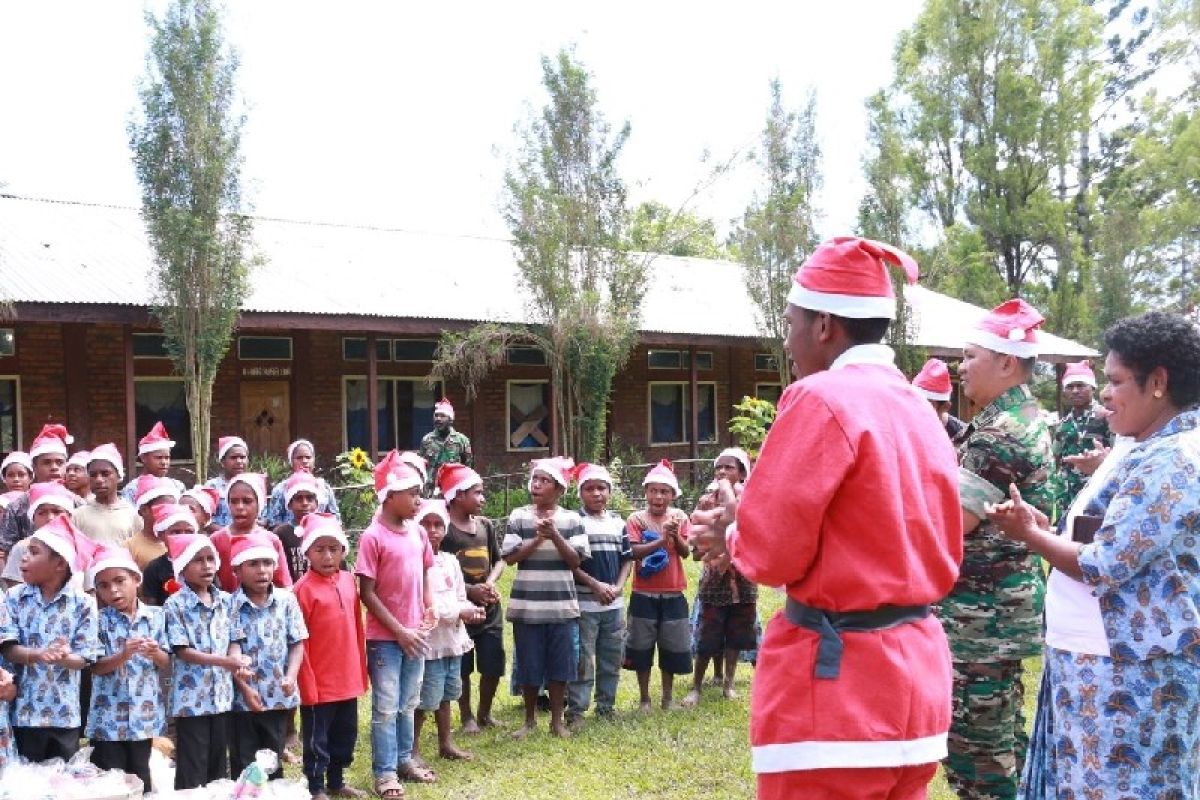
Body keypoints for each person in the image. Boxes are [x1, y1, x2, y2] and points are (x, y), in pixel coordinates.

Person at [691, 236, 962, 800]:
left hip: (841, 698)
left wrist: (733, 531)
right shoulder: (917, 406)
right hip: (918, 688)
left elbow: (771, 552)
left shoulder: (819, 397)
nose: (786, 341)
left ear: (824, 326)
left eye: (790, 323)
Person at [986, 311, 1200, 798]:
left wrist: (1030, 536)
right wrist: (1046, 530)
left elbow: (1106, 562)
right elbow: (1106, 537)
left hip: (1130, 680)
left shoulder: (1171, 458)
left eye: (1116, 381)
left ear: (1159, 383)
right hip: (1101, 664)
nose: (1105, 393)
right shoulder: (1143, 445)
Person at [941, 298, 1057, 800]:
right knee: (1003, 744)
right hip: (999, 615)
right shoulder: (1023, 417)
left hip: (979, 622)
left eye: (970, 356)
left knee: (978, 759)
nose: (960, 368)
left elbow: (954, 522)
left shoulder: (1000, 433)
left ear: (1006, 362)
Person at [356, 451, 435, 796]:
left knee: (409, 702)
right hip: (385, 639)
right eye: (413, 494)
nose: (419, 501)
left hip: (416, 634)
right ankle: (385, 771)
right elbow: (367, 593)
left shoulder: (418, 533)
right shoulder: (373, 537)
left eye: (420, 493)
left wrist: (429, 606)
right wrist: (399, 631)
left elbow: (426, 569)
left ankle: (405, 758)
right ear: (390, 496)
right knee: (386, 707)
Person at [0, 514, 100, 762]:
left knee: (62, 784)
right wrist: (39, 654)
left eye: (33, 552)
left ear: (59, 564)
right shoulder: (13, 597)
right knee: (26, 782)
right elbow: (8, 648)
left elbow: (84, 658)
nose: (24, 558)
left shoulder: (83, 604)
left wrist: (64, 657)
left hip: (64, 715)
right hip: (22, 712)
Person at [502, 457, 588, 739]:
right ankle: (528, 721)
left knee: (561, 664)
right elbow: (511, 558)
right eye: (535, 479)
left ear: (559, 489)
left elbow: (576, 560)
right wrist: (538, 539)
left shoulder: (573, 520)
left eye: (544, 480)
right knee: (529, 663)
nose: (536, 484)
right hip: (527, 605)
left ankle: (556, 721)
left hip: (562, 604)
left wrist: (554, 535)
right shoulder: (518, 516)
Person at [163, 531, 249, 790]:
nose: (206, 566)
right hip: (191, 701)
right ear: (182, 568)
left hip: (221, 697)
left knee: (217, 765)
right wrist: (225, 662)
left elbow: (235, 638)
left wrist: (236, 658)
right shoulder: (175, 605)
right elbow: (182, 650)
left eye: (210, 559)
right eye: (197, 560)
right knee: (192, 765)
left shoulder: (226, 601)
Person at [294, 512, 369, 800]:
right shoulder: (301, 591)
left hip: (347, 677)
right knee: (317, 740)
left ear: (342, 551)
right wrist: (307, 683)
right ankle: (315, 786)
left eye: (333, 549)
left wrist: (361, 671)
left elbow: (356, 628)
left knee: (344, 736)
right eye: (320, 549)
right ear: (308, 553)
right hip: (319, 684)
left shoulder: (350, 582)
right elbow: (299, 642)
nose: (327, 556)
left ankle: (336, 781)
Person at [86, 545, 170, 792]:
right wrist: (123, 655)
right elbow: (95, 667)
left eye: (119, 581)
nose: (113, 590)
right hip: (107, 719)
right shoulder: (98, 621)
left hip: (143, 717)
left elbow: (168, 663)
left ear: (136, 580)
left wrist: (155, 653)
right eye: (103, 585)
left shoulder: (156, 617)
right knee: (111, 780)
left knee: (140, 774)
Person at [227, 532, 308, 780]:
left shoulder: (286, 600)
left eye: (267, 563)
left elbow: (297, 643)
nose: (261, 570)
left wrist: (291, 676)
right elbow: (232, 649)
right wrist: (243, 685)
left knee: (273, 755)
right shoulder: (230, 605)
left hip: (277, 695)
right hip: (242, 700)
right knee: (244, 758)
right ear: (237, 571)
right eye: (253, 564)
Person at [684, 452, 758, 709]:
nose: (722, 472)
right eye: (719, 467)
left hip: (744, 578)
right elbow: (697, 543)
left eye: (729, 467)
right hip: (714, 579)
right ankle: (696, 687)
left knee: (737, 633)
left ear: (741, 473)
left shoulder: (752, 501)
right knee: (708, 634)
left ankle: (728, 684)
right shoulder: (706, 502)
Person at [438, 462, 507, 735]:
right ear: (457, 496)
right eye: (477, 493)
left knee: (493, 662)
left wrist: (489, 584)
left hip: (490, 608)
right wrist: (469, 591)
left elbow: (499, 560)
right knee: (463, 666)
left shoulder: (485, 526)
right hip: (461, 609)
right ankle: (466, 716)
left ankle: (485, 713)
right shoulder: (443, 531)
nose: (483, 498)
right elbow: (440, 572)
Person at [412, 499, 482, 767]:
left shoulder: (450, 561)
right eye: (426, 524)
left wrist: (472, 609)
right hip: (429, 643)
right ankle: (413, 749)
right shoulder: (415, 564)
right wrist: (458, 612)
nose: (432, 530)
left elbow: (459, 596)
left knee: (447, 694)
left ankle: (446, 743)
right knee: (423, 699)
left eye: (438, 524)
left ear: (446, 528)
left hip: (452, 641)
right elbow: (424, 605)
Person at [566, 462, 632, 727]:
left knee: (611, 656)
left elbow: (627, 559)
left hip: (614, 605)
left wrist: (617, 587)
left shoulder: (619, 523)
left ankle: (606, 706)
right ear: (580, 493)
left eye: (601, 488)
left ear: (610, 491)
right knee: (583, 658)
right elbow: (570, 564)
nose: (596, 494)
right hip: (585, 604)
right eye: (589, 489)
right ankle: (577, 710)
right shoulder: (574, 522)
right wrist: (595, 585)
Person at [625, 459, 691, 712]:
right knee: (641, 647)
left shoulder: (680, 518)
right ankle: (644, 699)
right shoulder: (636, 519)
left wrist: (673, 536)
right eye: (653, 490)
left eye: (664, 491)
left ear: (673, 495)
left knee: (671, 646)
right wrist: (662, 540)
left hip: (674, 591)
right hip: (644, 592)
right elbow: (634, 551)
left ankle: (667, 697)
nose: (658, 496)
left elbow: (685, 553)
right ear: (646, 492)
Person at [0, 424, 72, 573]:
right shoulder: (17, 507)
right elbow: (8, 552)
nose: (54, 467)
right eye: (47, 462)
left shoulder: (77, 503)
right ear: (34, 467)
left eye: (59, 462)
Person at [210, 473, 291, 592]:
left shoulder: (271, 540)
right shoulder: (216, 540)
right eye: (234, 501)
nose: (240, 507)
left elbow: (283, 584)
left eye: (247, 501)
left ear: (260, 504)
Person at [1053, 359, 1114, 511]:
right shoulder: (1064, 424)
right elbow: (1056, 458)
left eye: (1080, 385)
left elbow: (1118, 455)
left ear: (1092, 387)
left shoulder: (1106, 417)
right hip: (1066, 495)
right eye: (1070, 387)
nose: (1075, 391)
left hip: (1097, 493)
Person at [3, 481, 80, 589]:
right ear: (33, 518)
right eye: (42, 513)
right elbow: (13, 589)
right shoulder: (22, 548)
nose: (50, 518)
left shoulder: (80, 548)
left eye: (56, 512)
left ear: (69, 516)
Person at [263, 439, 342, 528]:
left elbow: (335, 518)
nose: (304, 461)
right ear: (291, 461)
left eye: (308, 457)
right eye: (299, 458)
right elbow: (274, 522)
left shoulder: (324, 488)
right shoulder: (281, 489)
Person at [72, 444, 141, 546]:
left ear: (118, 476)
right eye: (93, 475)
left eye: (105, 474)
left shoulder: (133, 515)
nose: (99, 480)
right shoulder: (77, 516)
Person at [141, 503, 201, 607]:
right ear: (161, 536)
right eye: (175, 532)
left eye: (189, 531)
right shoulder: (154, 568)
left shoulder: (204, 563)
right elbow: (152, 608)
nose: (182, 536)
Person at [123, 475, 183, 573]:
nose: (167, 513)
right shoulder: (129, 547)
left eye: (171, 508)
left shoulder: (181, 541)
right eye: (162, 508)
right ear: (144, 511)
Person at [119, 421, 186, 506]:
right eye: (158, 457)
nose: (164, 462)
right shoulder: (133, 489)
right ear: (143, 458)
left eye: (167, 458)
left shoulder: (178, 486)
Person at [272, 472, 320, 583]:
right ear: (289, 504)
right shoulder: (281, 533)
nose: (305, 503)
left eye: (309, 498)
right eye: (299, 499)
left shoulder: (325, 530)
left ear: (317, 502)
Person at [418, 398, 472, 493]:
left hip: (453, 490)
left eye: (442, 416)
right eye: (436, 416)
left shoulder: (462, 440)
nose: (438, 419)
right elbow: (421, 466)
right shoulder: (427, 440)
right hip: (431, 492)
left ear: (450, 419)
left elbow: (467, 468)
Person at [913, 357, 968, 443]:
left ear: (945, 407)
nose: (916, 409)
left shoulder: (964, 437)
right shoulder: (906, 428)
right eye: (914, 402)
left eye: (925, 404)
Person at [204, 436, 249, 529]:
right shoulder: (212, 486)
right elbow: (206, 520)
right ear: (222, 462)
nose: (239, 461)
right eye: (233, 457)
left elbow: (264, 518)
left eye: (242, 457)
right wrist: (227, 534)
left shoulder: (253, 484)